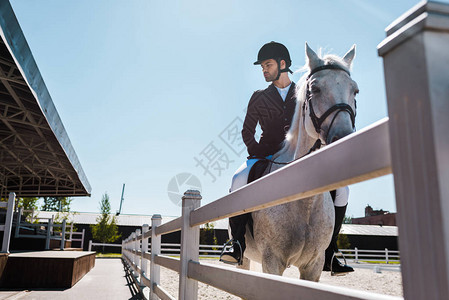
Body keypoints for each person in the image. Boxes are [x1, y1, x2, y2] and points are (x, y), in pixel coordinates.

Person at [220, 41, 354, 275]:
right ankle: (237, 243)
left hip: (304, 155)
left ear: (282, 64)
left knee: (343, 190)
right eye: (262, 66)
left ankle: (330, 251)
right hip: (266, 156)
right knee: (238, 179)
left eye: (267, 65)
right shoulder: (259, 97)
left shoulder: (304, 92)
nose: (264, 70)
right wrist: (259, 152)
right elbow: (246, 131)